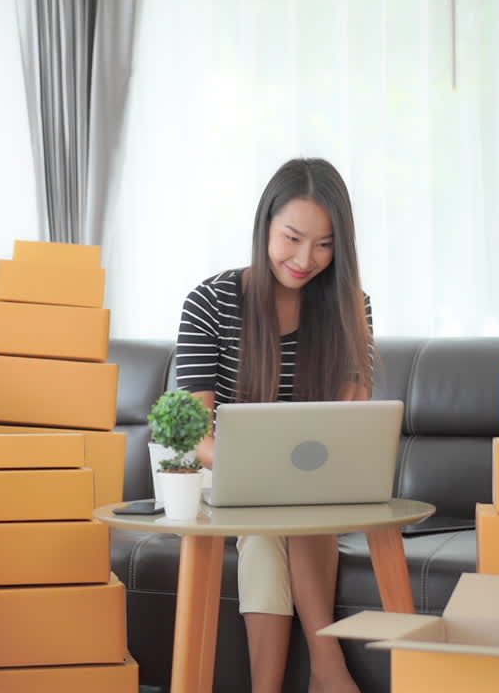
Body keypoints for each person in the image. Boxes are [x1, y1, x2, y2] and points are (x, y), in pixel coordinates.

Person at [175, 157, 374, 693]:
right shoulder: (211, 303)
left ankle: (312, 678)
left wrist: (290, 477)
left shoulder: (350, 307)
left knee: (293, 509)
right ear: (264, 224)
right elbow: (192, 433)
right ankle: (329, 672)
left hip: (309, 483)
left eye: (325, 245)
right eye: (292, 238)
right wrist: (254, 473)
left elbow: (351, 422)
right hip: (222, 469)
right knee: (266, 524)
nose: (306, 260)